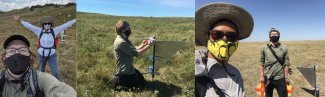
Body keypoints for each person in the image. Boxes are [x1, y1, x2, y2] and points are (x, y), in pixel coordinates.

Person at [195, 3, 254, 97]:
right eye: (217, 34)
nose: (224, 39)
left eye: (231, 36)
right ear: (208, 36)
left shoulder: (235, 73)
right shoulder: (196, 69)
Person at [0, 35, 76, 97]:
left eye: (23, 50)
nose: (16, 54)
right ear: (4, 58)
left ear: (30, 57)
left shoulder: (41, 79)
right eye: (11, 51)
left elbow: (65, 92)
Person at [13, 15, 76, 80]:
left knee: (55, 72)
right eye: (45, 23)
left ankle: (58, 85)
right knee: (41, 71)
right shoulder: (39, 31)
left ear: (51, 25)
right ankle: (40, 83)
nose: (47, 25)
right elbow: (29, 26)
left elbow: (65, 25)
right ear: (43, 24)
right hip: (41, 54)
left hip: (52, 54)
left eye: (49, 23)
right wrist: (20, 20)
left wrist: (75, 20)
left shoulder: (54, 31)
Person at [110, 20, 154, 89]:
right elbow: (137, 53)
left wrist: (143, 44)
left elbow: (134, 49)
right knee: (140, 85)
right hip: (124, 71)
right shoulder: (121, 42)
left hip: (128, 68)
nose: (130, 29)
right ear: (123, 30)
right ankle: (118, 81)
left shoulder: (124, 39)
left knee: (141, 79)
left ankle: (122, 80)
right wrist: (149, 45)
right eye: (128, 28)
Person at [260, 28, 290, 97]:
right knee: (268, 95)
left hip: (280, 77)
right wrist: (261, 76)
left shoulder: (284, 48)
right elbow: (261, 63)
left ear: (279, 36)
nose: (274, 36)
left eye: (276, 34)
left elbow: (286, 63)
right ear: (269, 36)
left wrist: (286, 78)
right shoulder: (264, 48)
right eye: (272, 34)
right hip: (268, 77)